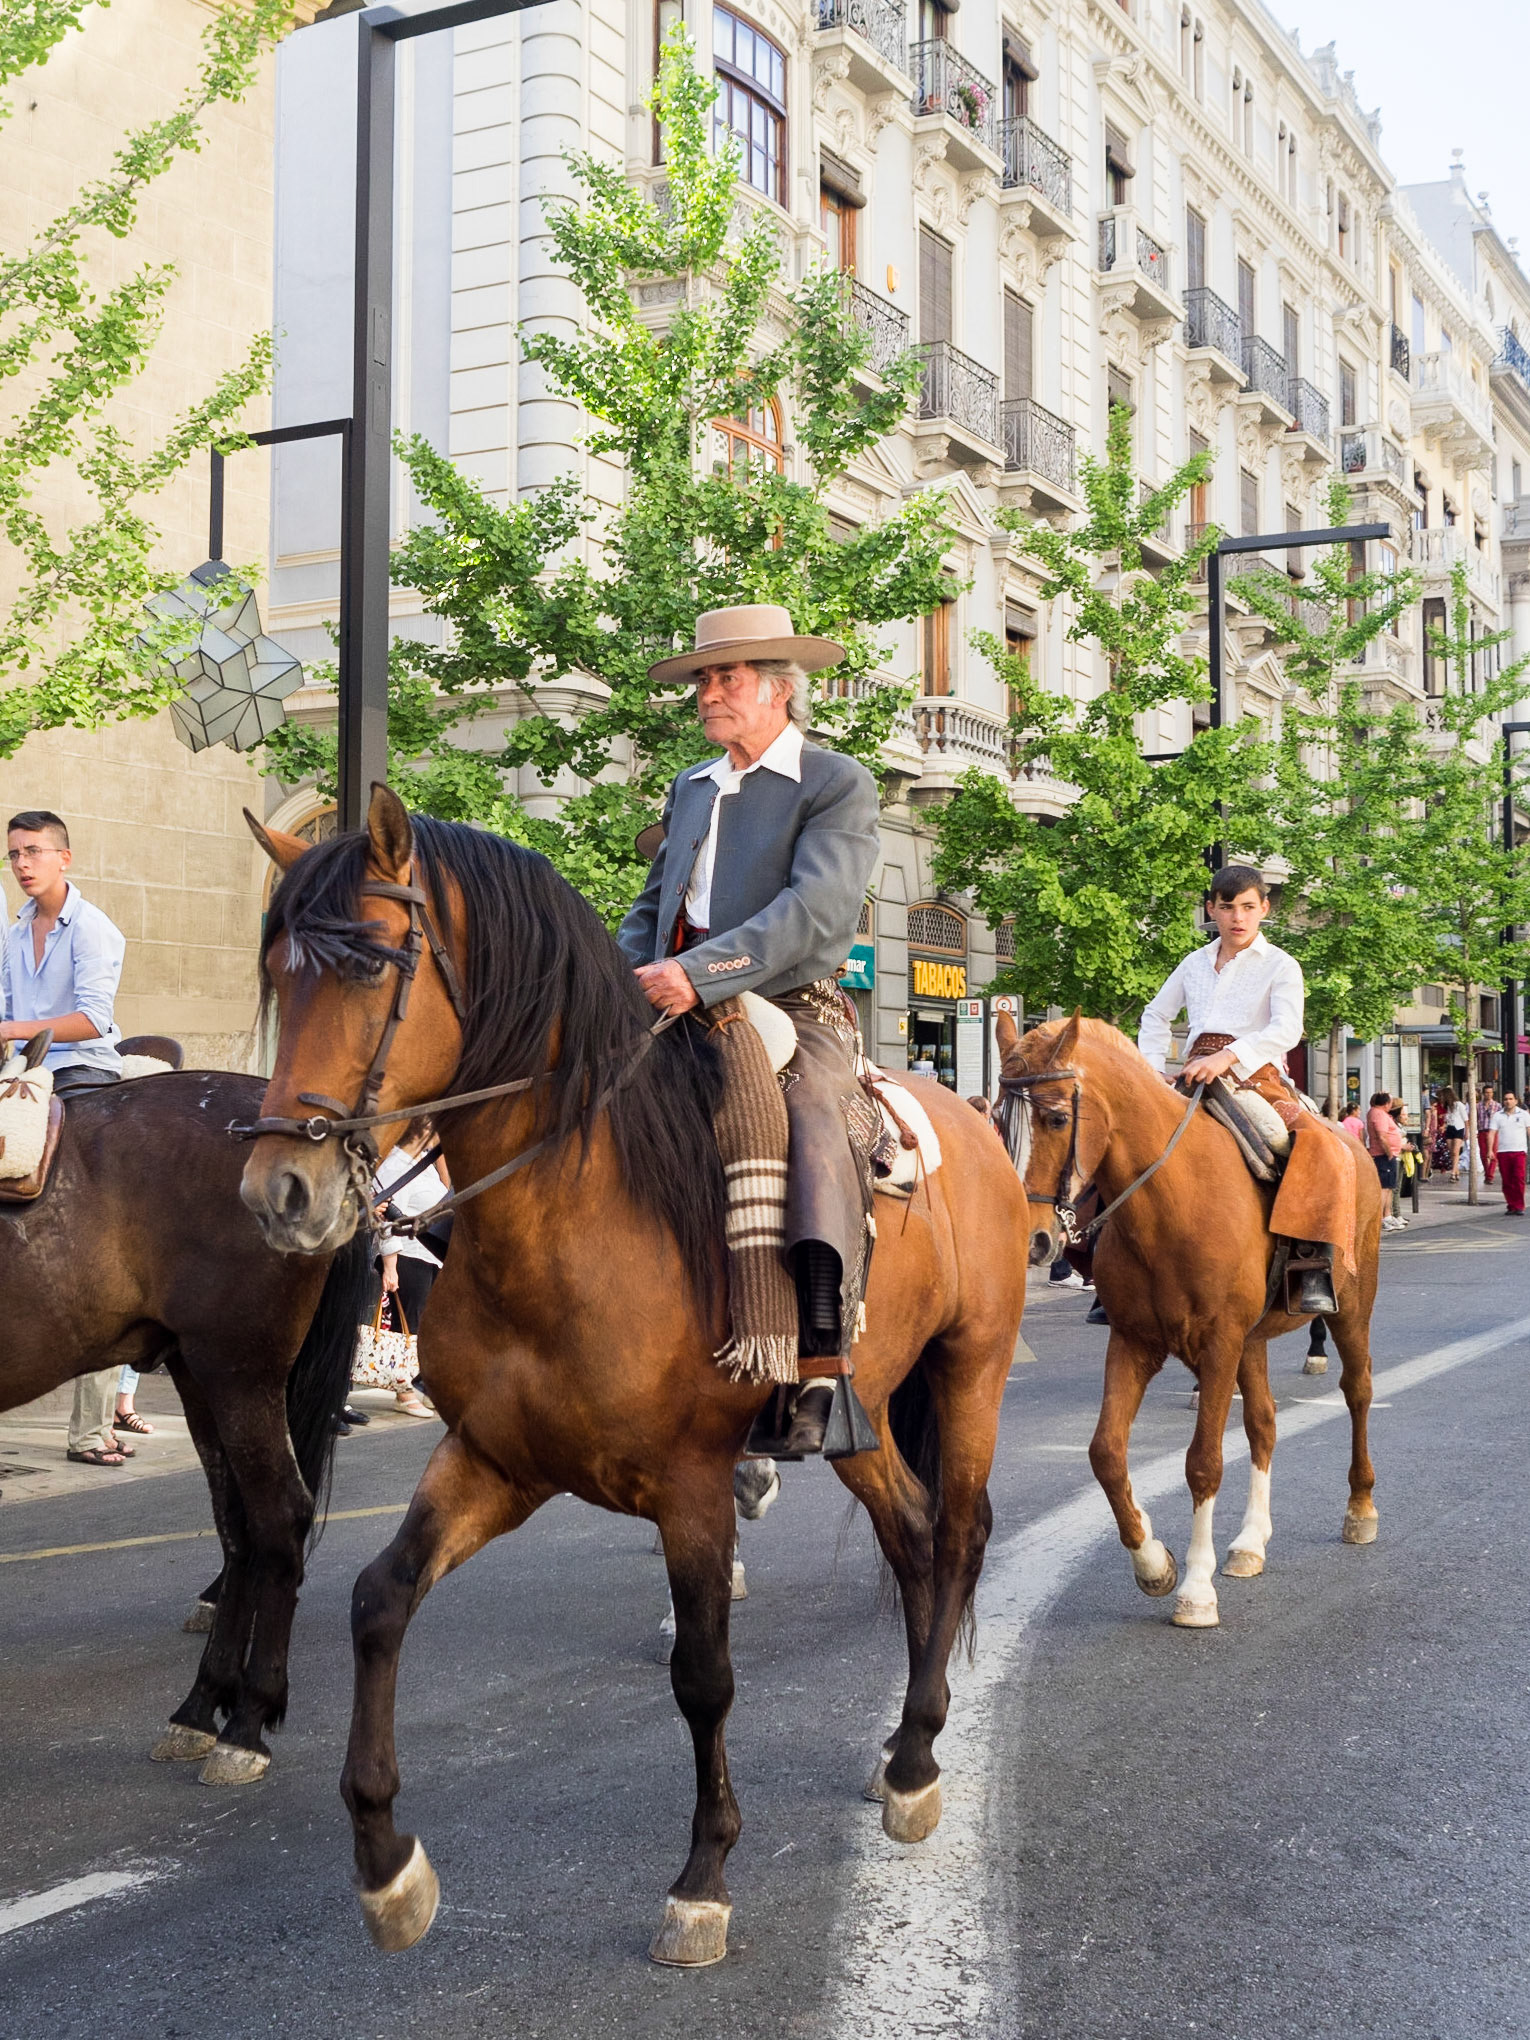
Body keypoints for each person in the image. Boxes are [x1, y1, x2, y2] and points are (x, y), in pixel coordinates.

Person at [617, 604, 880, 1456]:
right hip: (669, 999)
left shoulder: (835, 781)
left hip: (789, 1002)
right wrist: (610, 979)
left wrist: (701, 973)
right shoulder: (692, 787)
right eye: (703, 679)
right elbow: (655, 906)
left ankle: (816, 1358)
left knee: (806, 1119)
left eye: (725, 678)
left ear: (778, 690)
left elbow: (817, 912)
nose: (708, 693)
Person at [1138, 864, 1355, 1316]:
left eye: (1248, 907)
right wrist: (1152, 1072)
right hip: (1191, 1073)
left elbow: (1287, 1029)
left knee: (1316, 1145)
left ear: (1264, 909)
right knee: (1130, 1141)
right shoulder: (1193, 964)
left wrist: (1229, 1056)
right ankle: (1108, 1263)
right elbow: (1156, 1016)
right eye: (1228, 907)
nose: (1238, 917)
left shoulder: (1280, 964)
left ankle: (1310, 1262)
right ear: (1211, 909)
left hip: (1257, 1077)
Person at [1, 809, 127, 1469]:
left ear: (64, 858)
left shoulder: (96, 929)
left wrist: (12, 1030)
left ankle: (91, 1428)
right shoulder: (16, 930)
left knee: (95, 1234)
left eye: (34, 852)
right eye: (15, 853)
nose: (23, 863)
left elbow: (93, 1018)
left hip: (83, 1075)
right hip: (24, 1073)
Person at [371, 1118, 448, 1418]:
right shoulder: (395, 1165)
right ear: (423, 1130)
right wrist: (390, 1265)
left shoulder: (423, 1165)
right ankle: (402, 1391)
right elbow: (386, 1217)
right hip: (407, 1256)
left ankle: (417, 1382)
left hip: (427, 1256)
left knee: (422, 1326)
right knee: (408, 1327)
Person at [1365, 1090, 1405, 1232]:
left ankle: (1387, 1216)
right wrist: (1388, 1153)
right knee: (1384, 1188)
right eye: (1390, 1102)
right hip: (1383, 1155)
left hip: (1389, 1154)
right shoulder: (1379, 1114)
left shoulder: (1379, 1114)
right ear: (1386, 1103)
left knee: (1389, 1187)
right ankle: (1381, 1218)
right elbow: (1382, 1136)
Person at [1488, 1090, 1530, 1215]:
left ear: (1516, 1101)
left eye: (1511, 1099)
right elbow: (1492, 1133)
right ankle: (1511, 1204)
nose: (1508, 1101)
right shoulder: (1497, 1115)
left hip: (1519, 1151)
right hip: (1503, 1151)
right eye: (1506, 1099)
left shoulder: (1524, 1115)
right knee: (1507, 1181)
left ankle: (1519, 1206)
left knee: (1518, 1178)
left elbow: (1529, 1130)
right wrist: (1490, 1150)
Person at [1441, 1086, 1468, 1183]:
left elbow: (1465, 1119)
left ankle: (1453, 1172)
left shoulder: (1459, 1105)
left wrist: (1466, 1132)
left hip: (1458, 1128)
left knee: (1456, 1151)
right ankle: (1456, 1171)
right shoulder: (1448, 1107)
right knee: (1451, 1152)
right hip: (1450, 1128)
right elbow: (1448, 1119)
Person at [1477, 1085, 1498, 1184]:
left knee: (1493, 1154)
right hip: (1482, 1131)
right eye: (1487, 1092)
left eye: (1490, 1092)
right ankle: (1487, 1172)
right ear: (1483, 1094)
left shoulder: (1497, 1106)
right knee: (1483, 1154)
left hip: (1493, 1132)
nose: (1489, 1094)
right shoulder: (1478, 1106)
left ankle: (1490, 1176)